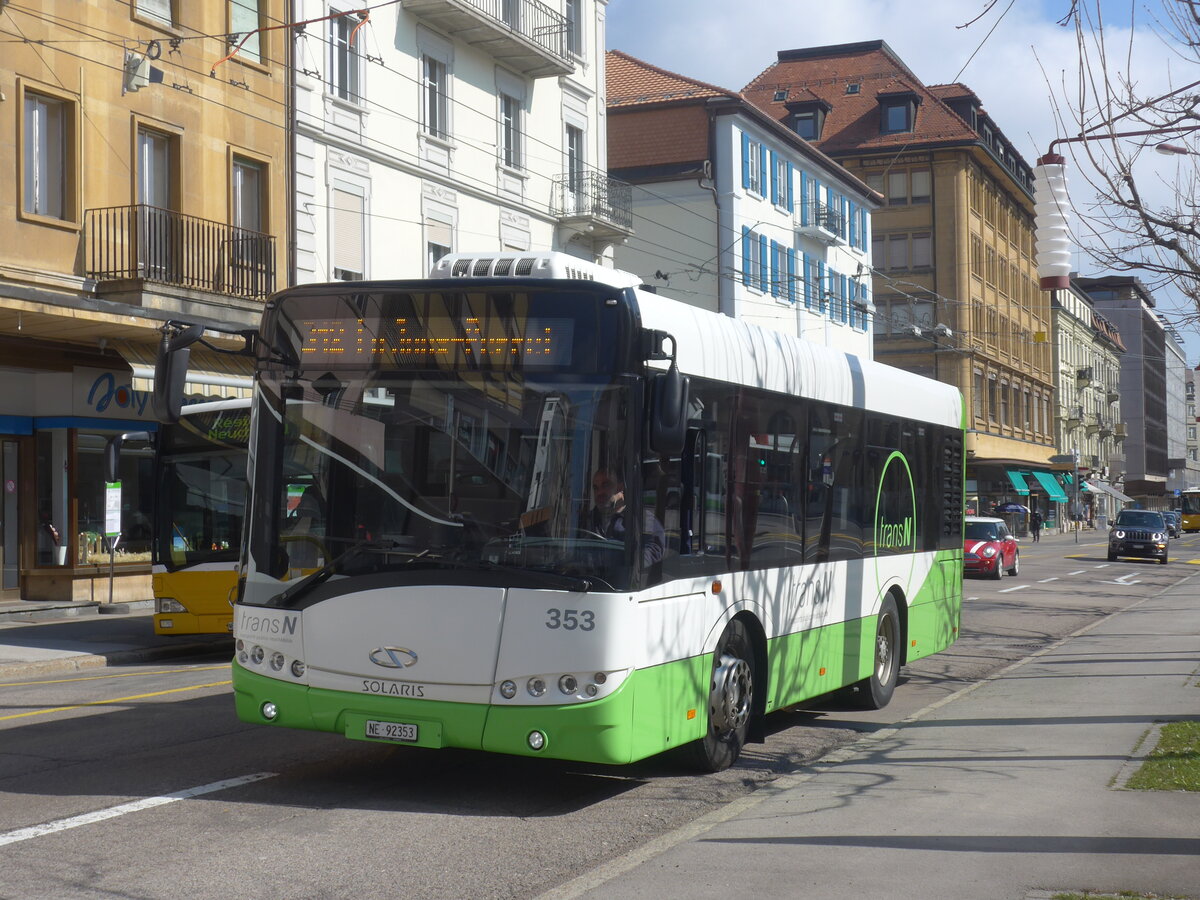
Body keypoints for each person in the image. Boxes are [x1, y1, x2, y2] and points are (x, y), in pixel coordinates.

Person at [588, 468, 666, 566]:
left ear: (621, 488)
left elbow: (654, 549)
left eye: (606, 485)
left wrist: (628, 565)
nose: (599, 493)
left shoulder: (642, 519)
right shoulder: (587, 520)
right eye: (596, 488)